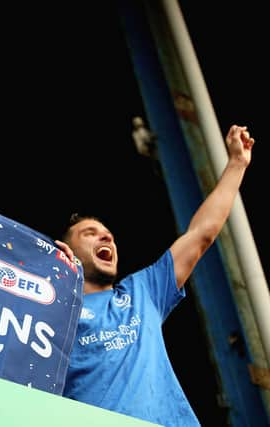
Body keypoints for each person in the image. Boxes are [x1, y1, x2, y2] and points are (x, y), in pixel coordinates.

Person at [60, 124, 255, 426]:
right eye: (90, 234)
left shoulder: (142, 291)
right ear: (66, 253)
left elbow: (200, 234)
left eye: (108, 235)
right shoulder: (50, 314)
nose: (106, 239)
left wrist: (236, 164)